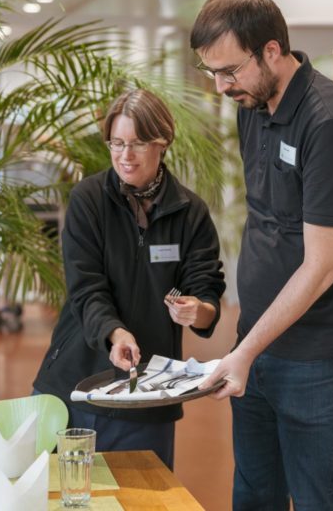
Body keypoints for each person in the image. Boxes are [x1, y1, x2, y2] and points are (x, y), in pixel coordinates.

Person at [190, 0, 333, 510]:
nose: (220, 86)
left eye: (229, 71)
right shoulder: (252, 105)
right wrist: (245, 345)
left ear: (271, 51)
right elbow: (270, 224)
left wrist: (243, 352)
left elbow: (322, 266)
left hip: (319, 357)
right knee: (255, 495)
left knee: (318, 497)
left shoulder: (331, 123)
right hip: (256, 342)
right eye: (211, 73)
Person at [32, 89, 225, 469]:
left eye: (137, 144)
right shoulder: (89, 200)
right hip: (77, 383)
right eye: (117, 143)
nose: (125, 155)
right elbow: (86, 287)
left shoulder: (191, 213)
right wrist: (115, 333)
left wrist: (197, 311)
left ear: (162, 142)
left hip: (148, 395)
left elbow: (207, 292)